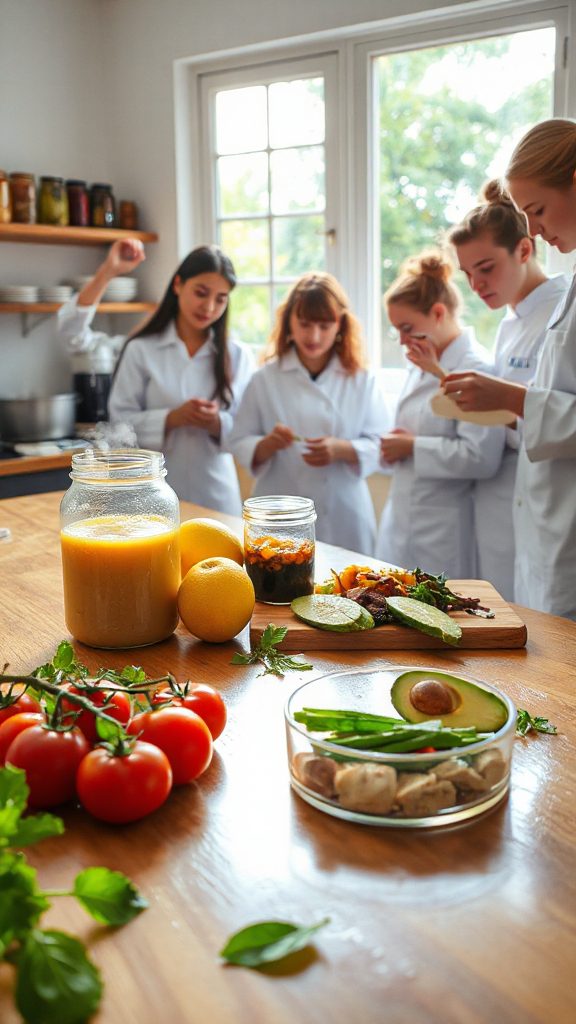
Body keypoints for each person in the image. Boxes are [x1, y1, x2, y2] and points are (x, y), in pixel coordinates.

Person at [441, 118, 576, 619]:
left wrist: (509, 399)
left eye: (538, 210)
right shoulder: (555, 296)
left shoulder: (558, 295)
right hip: (541, 519)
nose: (536, 230)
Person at [58, 239, 255, 514]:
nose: (209, 307)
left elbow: (248, 431)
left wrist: (217, 422)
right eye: (201, 292)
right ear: (178, 285)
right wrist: (171, 419)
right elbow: (119, 423)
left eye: (220, 299)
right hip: (152, 496)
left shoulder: (237, 355)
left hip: (217, 497)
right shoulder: (141, 349)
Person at [227, 272, 383, 553]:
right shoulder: (265, 378)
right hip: (279, 514)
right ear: (289, 323)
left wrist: (342, 449)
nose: (314, 336)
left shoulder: (361, 379)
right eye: (305, 324)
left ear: (341, 326)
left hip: (343, 514)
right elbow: (238, 440)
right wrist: (266, 444)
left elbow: (382, 444)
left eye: (325, 325)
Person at [375, 250, 504, 578]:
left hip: (443, 529)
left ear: (437, 313)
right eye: (397, 332)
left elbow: (481, 456)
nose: (403, 341)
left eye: (407, 328)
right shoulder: (420, 365)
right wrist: (395, 448)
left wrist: (412, 447)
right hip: (401, 517)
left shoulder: (476, 368)